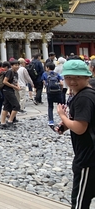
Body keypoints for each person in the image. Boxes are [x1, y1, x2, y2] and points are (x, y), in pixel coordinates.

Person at [55, 60, 95, 209]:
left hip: (88, 158)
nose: (72, 81)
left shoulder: (83, 97)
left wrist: (62, 116)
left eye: (77, 77)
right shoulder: (87, 94)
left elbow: (79, 128)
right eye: (68, 77)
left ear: (86, 77)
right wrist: (65, 126)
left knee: (80, 201)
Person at [0, 60, 20, 130]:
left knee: (6, 106)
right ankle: (10, 121)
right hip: (7, 90)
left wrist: (18, 86)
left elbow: (15, 81)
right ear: (11, 66)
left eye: (18, 65)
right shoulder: (10, 72)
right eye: (15, 65)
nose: (17, 66)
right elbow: (4, 81)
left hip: (11, 90)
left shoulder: (16, 73)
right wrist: (14, 87)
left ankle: (3, 123)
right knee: (16, 106)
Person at [42, 62, 64, 127]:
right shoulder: (57, 74)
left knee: (50, 106)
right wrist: (61, 90)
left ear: (48, 68)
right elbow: (62, 83)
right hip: (58, 92)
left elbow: (44, 82)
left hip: (50, 92)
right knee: (60, 106)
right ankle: (63, 119)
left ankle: (51, 121)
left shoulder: (45, 74)